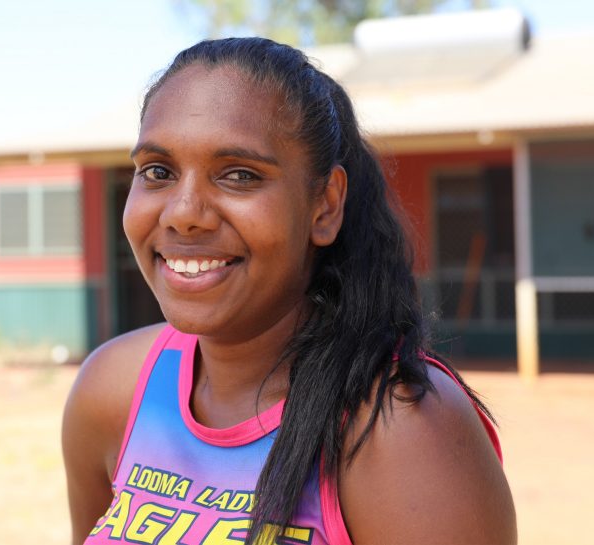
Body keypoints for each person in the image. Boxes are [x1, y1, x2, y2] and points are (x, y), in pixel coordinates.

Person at [62, 37, 516, 545]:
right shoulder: (112, 391)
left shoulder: (399, 427)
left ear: (324, 205)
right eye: (158, 172)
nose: (183, 212)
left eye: (238, 175)